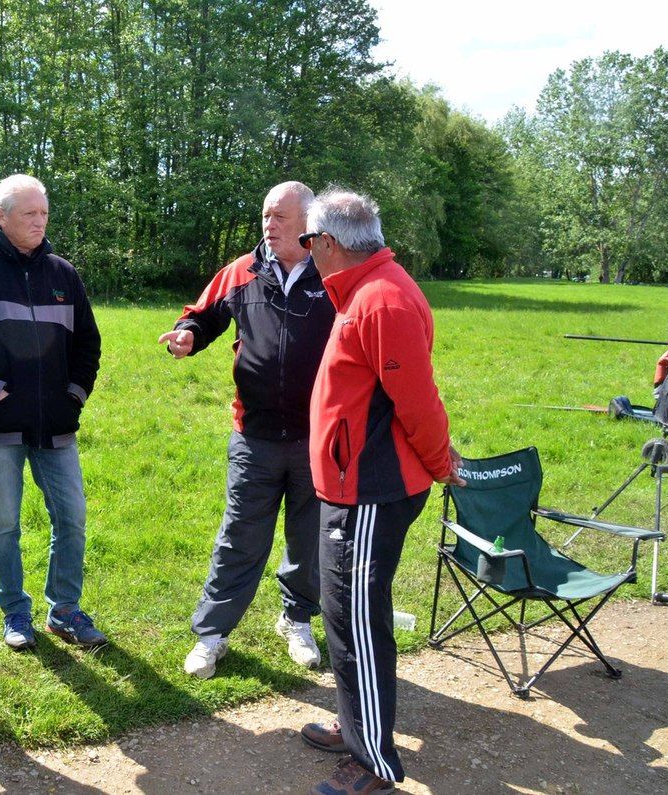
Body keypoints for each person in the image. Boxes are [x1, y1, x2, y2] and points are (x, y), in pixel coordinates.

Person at [298, 187, 463, 795]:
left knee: (356, 623)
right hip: (350, 485)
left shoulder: (382, 300)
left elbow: (418, 401)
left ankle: (375, 763)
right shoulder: (365, 290)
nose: (307, 252)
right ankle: (355, 726)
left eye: (310, 241)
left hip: (370, 489)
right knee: (343, 615)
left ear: (330, 243)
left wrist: (443, 463)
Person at [158, 182, 335, 679]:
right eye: (265, 216)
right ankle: (211, 635)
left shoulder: (332, 272)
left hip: (315, 438)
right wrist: (187, 336)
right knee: (239, 537)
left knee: (308, 539)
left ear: (309, 223)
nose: (269, 225)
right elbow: (202, 316)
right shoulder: (243, 271)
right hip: (254, 434)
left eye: (280, 217)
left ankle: (296, 619)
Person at [0, 174, 104, 650]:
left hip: (56, 424)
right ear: (0, 216)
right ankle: (15, 612)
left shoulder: (62, 273)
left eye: (44, 213)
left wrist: (73, 395)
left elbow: (88, 344)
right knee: (5, 523)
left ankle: (65, 610)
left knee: (71, 516)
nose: (39, 221)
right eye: (29, 213)